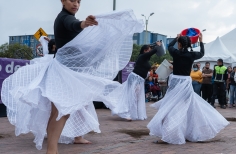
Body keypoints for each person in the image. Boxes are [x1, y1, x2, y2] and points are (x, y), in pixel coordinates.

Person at [1, 1, 144, 153]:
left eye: (78, 1)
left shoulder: (66, 17)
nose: (75, 4)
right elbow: (72, 24)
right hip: (62, 73)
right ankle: (52, 150)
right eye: (71, 0)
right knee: (60, 113)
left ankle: (54, 149)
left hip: (67, 73)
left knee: (62, 113)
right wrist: (82, 24)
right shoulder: (64, 18)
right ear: (62, 1)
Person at [147, 33, 229, 144]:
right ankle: (184, 132)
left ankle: (171, 134)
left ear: (179, 44)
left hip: (176, 82)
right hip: (185, 82)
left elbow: (169, 46)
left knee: (171, 108)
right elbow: (202, 53)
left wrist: (176, 38)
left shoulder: (175, 52)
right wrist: (201, 41)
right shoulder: (191, 55)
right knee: (187, 108)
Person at [107, 43, 164, 121]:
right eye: (149, 50)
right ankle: (126, 114)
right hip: (135, 78)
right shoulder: (142, 56)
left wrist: (154, 46)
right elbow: (154, 51)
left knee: (136, 97)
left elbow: (150, 56)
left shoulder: (145, 59)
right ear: (145, 50)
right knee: (131, 96)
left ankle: (132, 113)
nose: (150, 51)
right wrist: (158, 46)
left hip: (139, 79)